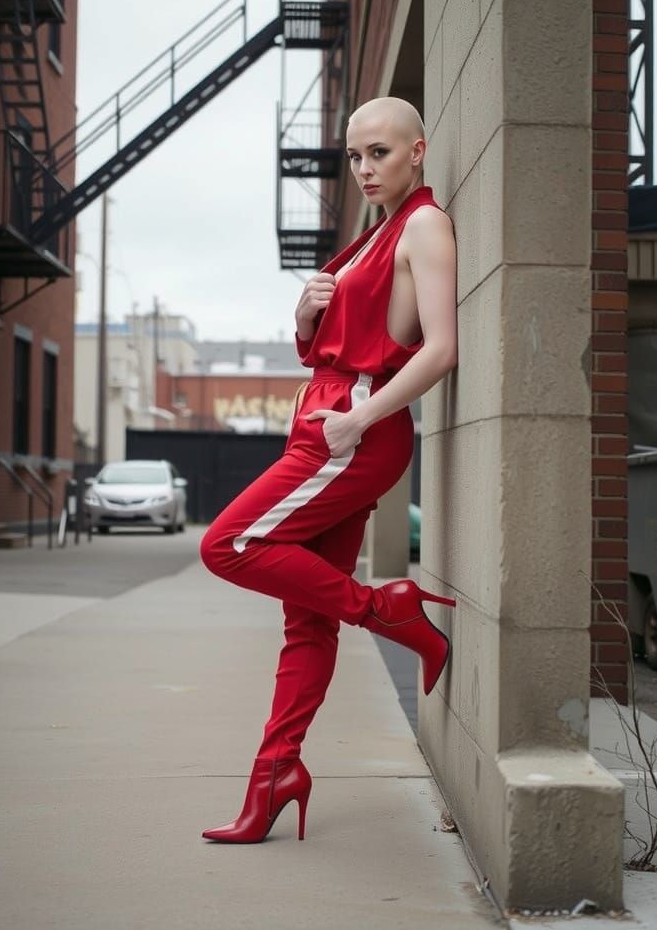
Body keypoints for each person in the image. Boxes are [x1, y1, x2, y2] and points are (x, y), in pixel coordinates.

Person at [198, 95, 458, 844]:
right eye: (354, 156)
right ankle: (277, 773)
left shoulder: (424, 225)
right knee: (307, 621)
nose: (365, 168)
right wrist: (307, 315)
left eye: (379, 152)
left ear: (418, 150)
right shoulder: (374, 235)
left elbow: (441, 347)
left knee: (230, 545)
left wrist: (358, 422)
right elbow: (337, 346)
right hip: (330, 423)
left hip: (350, 433)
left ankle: (389, 612)